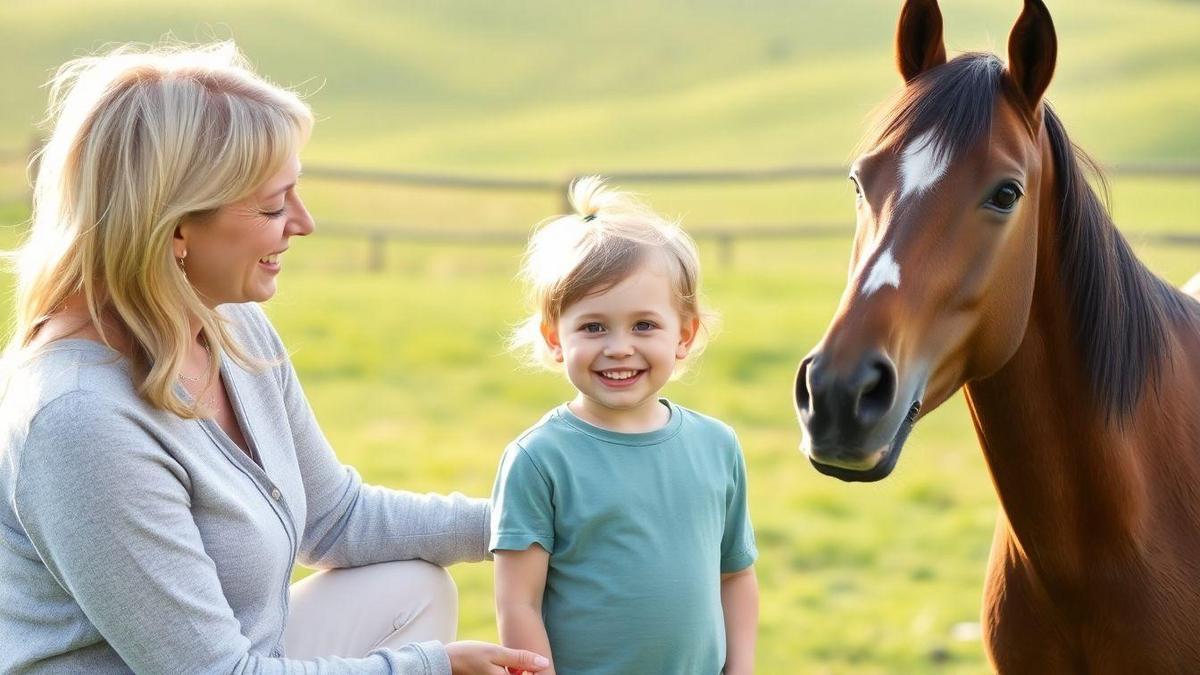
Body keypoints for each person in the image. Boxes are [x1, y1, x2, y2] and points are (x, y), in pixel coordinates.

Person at [0, 42, 549, 675]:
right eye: (271, 206)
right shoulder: (79, 420)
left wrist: (535, 524)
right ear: (173, 227)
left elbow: (337, 518)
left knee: (411, 587)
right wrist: (428, 667)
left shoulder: (229, 324)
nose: (304, 223)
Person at [490, 178, 759, 674]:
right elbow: (518, 603)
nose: (618, 347)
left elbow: (735, 575)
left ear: (685, 334)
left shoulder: (717, 446)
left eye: (644, 325)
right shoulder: (539, 459)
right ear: (555, 338)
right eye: (593, 326)